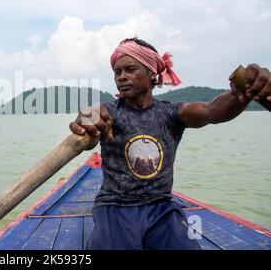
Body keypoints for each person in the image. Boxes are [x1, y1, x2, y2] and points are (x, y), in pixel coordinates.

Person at [69, 37, 271, 250]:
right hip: (115, 205)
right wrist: (87, 118)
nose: (122, 77)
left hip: (160, 205)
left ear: (152, 75)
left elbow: (212, 111)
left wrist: (245, 91)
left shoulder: (171, 113)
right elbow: (91, 121)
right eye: (117, 72)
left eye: (130, 69)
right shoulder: (110, 111)